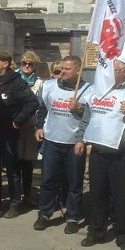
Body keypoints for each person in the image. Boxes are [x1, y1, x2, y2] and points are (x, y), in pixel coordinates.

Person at [75, 60, 125, 250]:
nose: (112, 73)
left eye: (116, 70)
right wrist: (80, 139)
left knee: (123, 197)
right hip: (98, 152)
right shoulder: (96, 91)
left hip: (121, 154)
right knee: (97, 195)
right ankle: (96, 232)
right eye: (111, 70)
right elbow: (87, 117)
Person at [33, 55, 91, 234]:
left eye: (67, 69)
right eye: (61, 69)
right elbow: (41, 109)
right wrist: (38, 126)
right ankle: (44, 214)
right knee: (48, 180)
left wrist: (80, 108)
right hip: (52, 141)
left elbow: (93, 117)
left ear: (78, 71)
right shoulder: (49, 86)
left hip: (74, 144)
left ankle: (72, 216)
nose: (62, 72)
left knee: (74, 182)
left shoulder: (89, 90)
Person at [0, 50, 39, 218]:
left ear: (5, 63)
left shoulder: (16, 82)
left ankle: (15, 204)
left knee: (12, 169)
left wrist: (18, 120)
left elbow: (32, 102)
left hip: (9, 132)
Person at [15, 50, 44, 207]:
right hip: (14, 124)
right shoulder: (13, 78)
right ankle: (15, 196)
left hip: (30, 125)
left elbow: (39, 104)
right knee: (15, 161)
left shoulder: (39, 83)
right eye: (24, 63)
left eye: (30, 64)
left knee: (27, 162)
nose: (26, 66)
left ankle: (27, 194)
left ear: (35, 66)